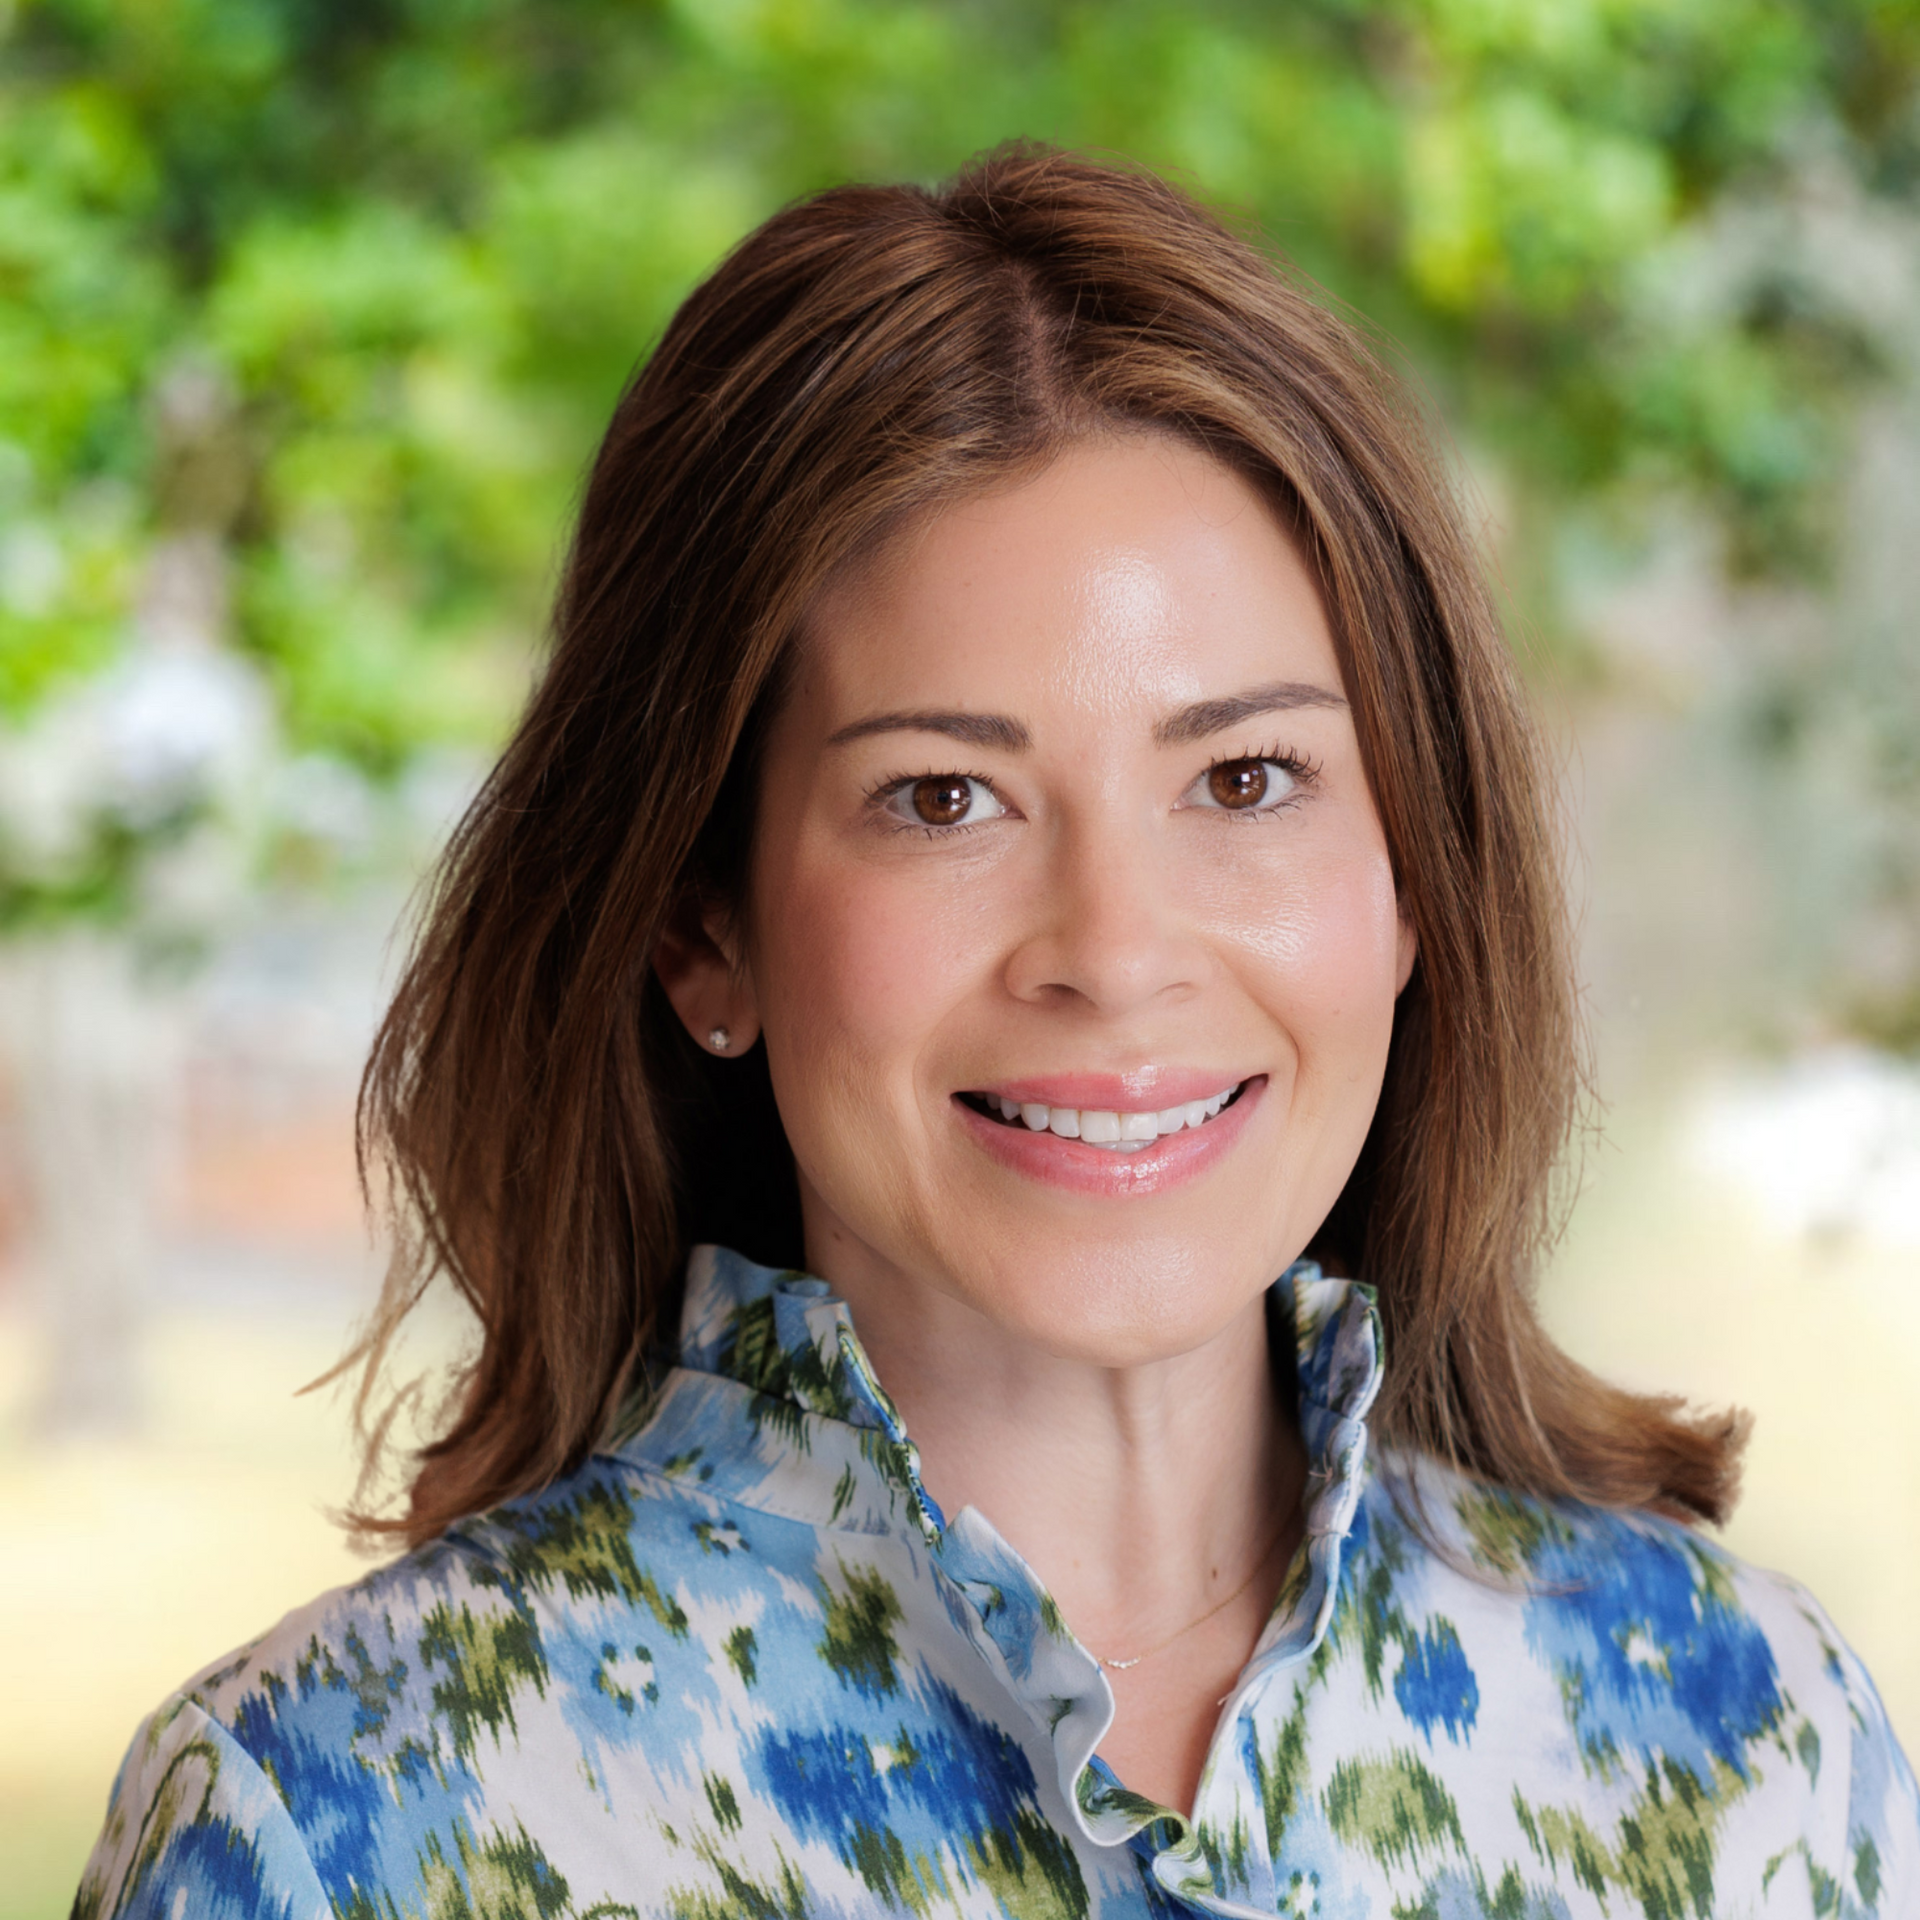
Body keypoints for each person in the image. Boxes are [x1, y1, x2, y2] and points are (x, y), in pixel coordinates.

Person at [75, 146, 1916, 1919]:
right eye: (943, 799)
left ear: (1414, 872)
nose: (1114, 954)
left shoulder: (1748, 1740)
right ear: (700, 923)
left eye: (1248, 776)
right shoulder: (340, 1826)